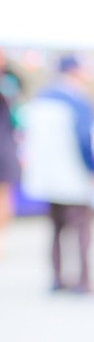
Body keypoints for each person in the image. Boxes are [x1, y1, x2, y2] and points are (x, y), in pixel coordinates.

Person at [19, 54, 94, 292]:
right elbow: (85, 141)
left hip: (47, 177)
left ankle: (57, 278)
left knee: (56, 229)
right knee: (81, 230)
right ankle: (84, 281)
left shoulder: (40, 98)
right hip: (73, 176)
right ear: (75, 71)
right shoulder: (78, 101)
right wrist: (93, 170)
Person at [0, 53, 22, 251]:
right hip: (5, 144)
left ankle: (2, 240)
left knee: (4, 194)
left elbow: (16, 117)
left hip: (4, 145)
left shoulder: (7, 82)